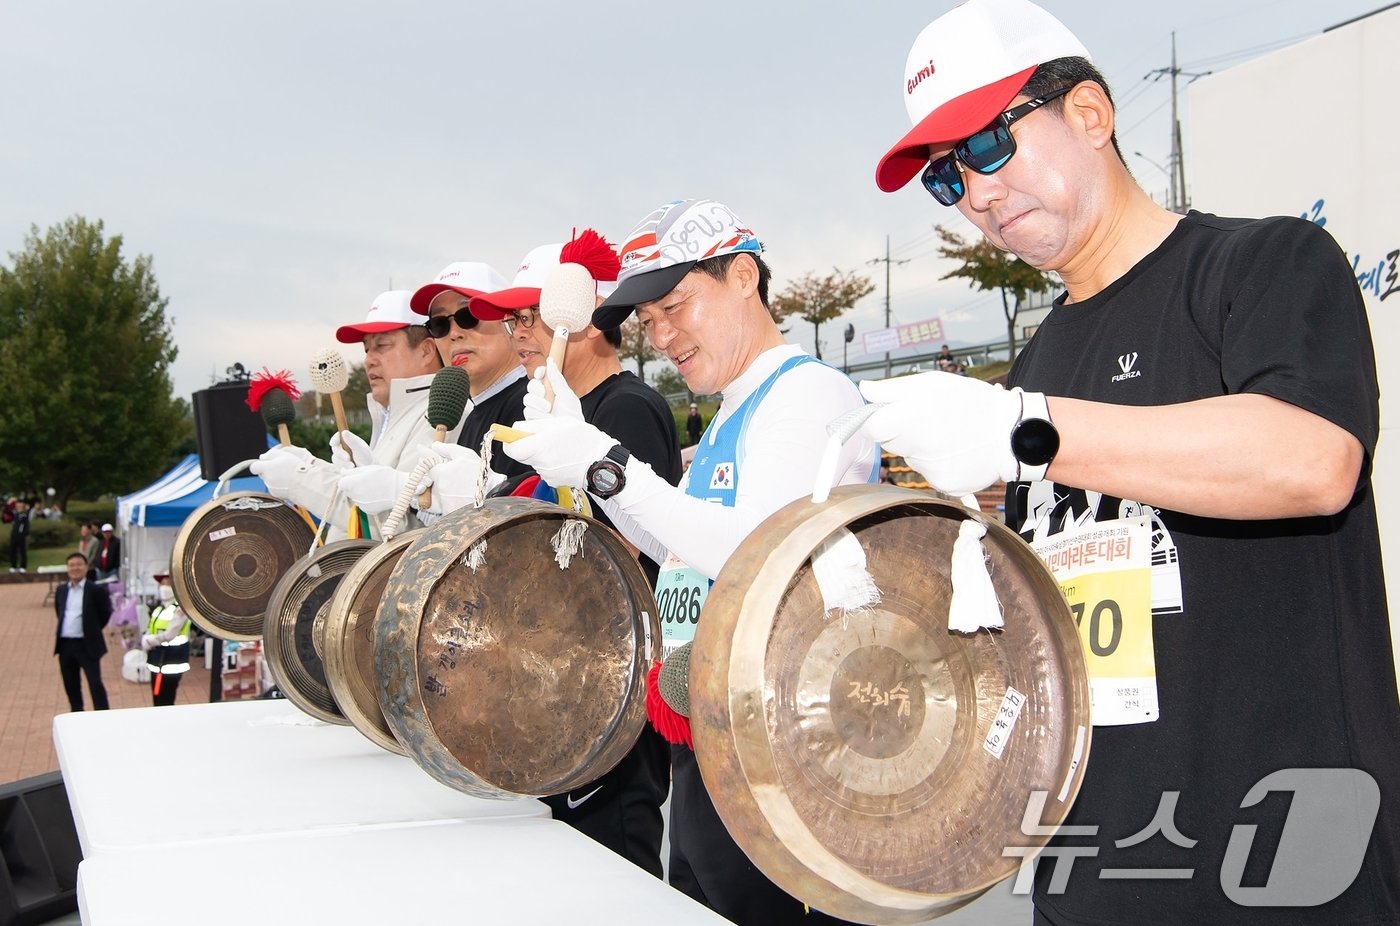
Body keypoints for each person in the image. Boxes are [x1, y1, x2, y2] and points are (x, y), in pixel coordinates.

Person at [863, 1, 1400, 924]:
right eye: (946, 176)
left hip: (1285, 867)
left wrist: (1030, 429)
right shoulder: (1040, 359)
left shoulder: (1264, 266)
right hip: (1097, 865)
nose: (977, 194)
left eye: (990, 144)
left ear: (1089, 115)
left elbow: (1314, 461)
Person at [501, 199, 878, 925]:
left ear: (743, 277)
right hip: (715, 750)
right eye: (648, 321)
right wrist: (581, 454)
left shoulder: (806, 395)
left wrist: (605, 463)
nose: (663, 335)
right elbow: (677, 551)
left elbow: (753, 552)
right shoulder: (738, 409)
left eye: (676, 306)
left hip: (790, 762)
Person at [463, 232, 680, 877]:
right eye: (514, 319)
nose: (520, 332)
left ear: (583, 320)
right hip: (561, 673)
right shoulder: (567, 411)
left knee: (614, 864)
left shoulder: (629, 406)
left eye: (530, 316)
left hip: (612, 676)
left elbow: (624, 554)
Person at [251, 290, 470, 537]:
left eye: (382, 346)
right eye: (367, 349)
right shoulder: (392, 414)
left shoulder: (441, 413)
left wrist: (302, 479)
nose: (369, 360)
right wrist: (312, 466)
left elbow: (405, 531)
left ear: (426, 352)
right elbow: (367, 503)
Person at [54, 551, 112, 711]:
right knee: (70, 684)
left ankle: (102, 714)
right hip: (66, 645)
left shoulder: (95, 590)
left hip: (87, 645)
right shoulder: (61, 590)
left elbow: (105, 613)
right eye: (71, 565)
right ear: (67, 568)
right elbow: (59, 612)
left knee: (95, 683)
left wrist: (92, 629)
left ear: (86, 567)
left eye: (79, 565)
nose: (75, 568)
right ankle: (76, 713)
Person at [140, 572, 193, 707]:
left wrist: (152, 640)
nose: (164, 587)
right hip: (157, 660)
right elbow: (151, 627)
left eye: (168, 583)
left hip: (172, 660)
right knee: (156, 697)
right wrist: (146, 637)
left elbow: (171, 633)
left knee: (167, 699)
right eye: (162, 584)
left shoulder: (181, 609)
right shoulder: (159, 608)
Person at [8, 498, 29, 572]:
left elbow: (23, 521)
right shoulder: (14, 514)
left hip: (22, 536)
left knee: (22, 551)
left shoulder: (25, 514)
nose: (19, 505)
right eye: (18, 504)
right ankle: (13, 566)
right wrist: (9, 503)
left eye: (21, 504)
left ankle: (23, 566)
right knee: (13, 551)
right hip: (14, 535)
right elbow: (6, 516)